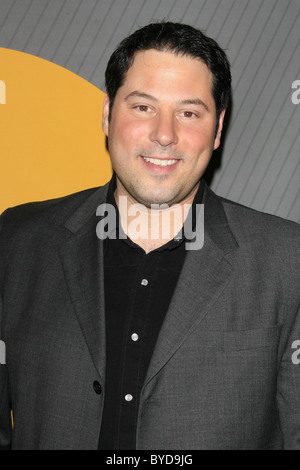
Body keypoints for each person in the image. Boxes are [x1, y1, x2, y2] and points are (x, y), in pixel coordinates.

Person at [0, 21, 299, 450]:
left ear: (217, 131)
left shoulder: (287, 260)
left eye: (189, 113)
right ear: (107, 115)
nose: (164, 134)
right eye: (143, 107)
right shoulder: (18, 242)